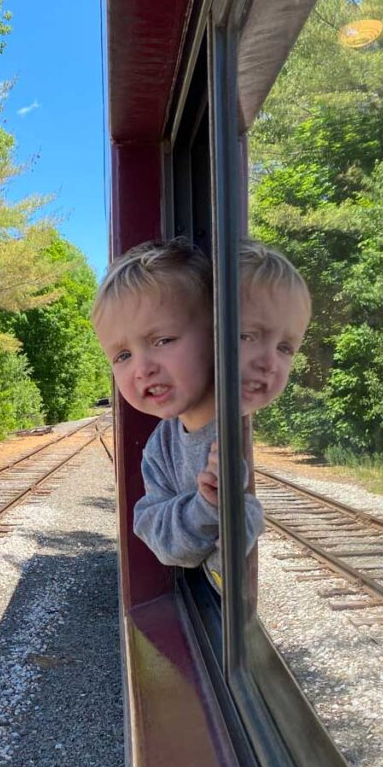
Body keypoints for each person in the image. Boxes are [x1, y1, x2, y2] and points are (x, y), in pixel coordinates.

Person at [91, 238, 263, 590]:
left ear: (218, 337)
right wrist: (204, 507)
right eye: (122, 356)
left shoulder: (246, 419)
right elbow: (156, 533)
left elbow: (252, 518)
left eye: (163, 340)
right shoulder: (161, 445)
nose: (142, 368)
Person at [197, 240, 312, 508]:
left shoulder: (238, 424)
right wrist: (207, 505)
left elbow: (248, 528)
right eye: (247, 336)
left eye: (285, 348)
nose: (270, 362)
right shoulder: (172, 436)